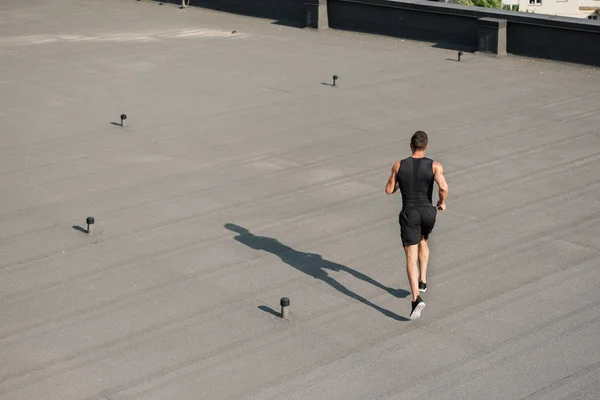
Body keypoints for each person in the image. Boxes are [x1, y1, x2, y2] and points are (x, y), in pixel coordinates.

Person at [385, 130, 449, 320]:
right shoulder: (435, 165)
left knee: (410, 256)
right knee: (423, 240)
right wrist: (442, 202)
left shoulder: (399, 165)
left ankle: (415, 299)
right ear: (426, 146)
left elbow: (389, 190)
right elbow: (444, 187)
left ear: (410, 146)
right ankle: (423, 279)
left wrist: (400, 182)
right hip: (428, 212)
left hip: (409, 213)